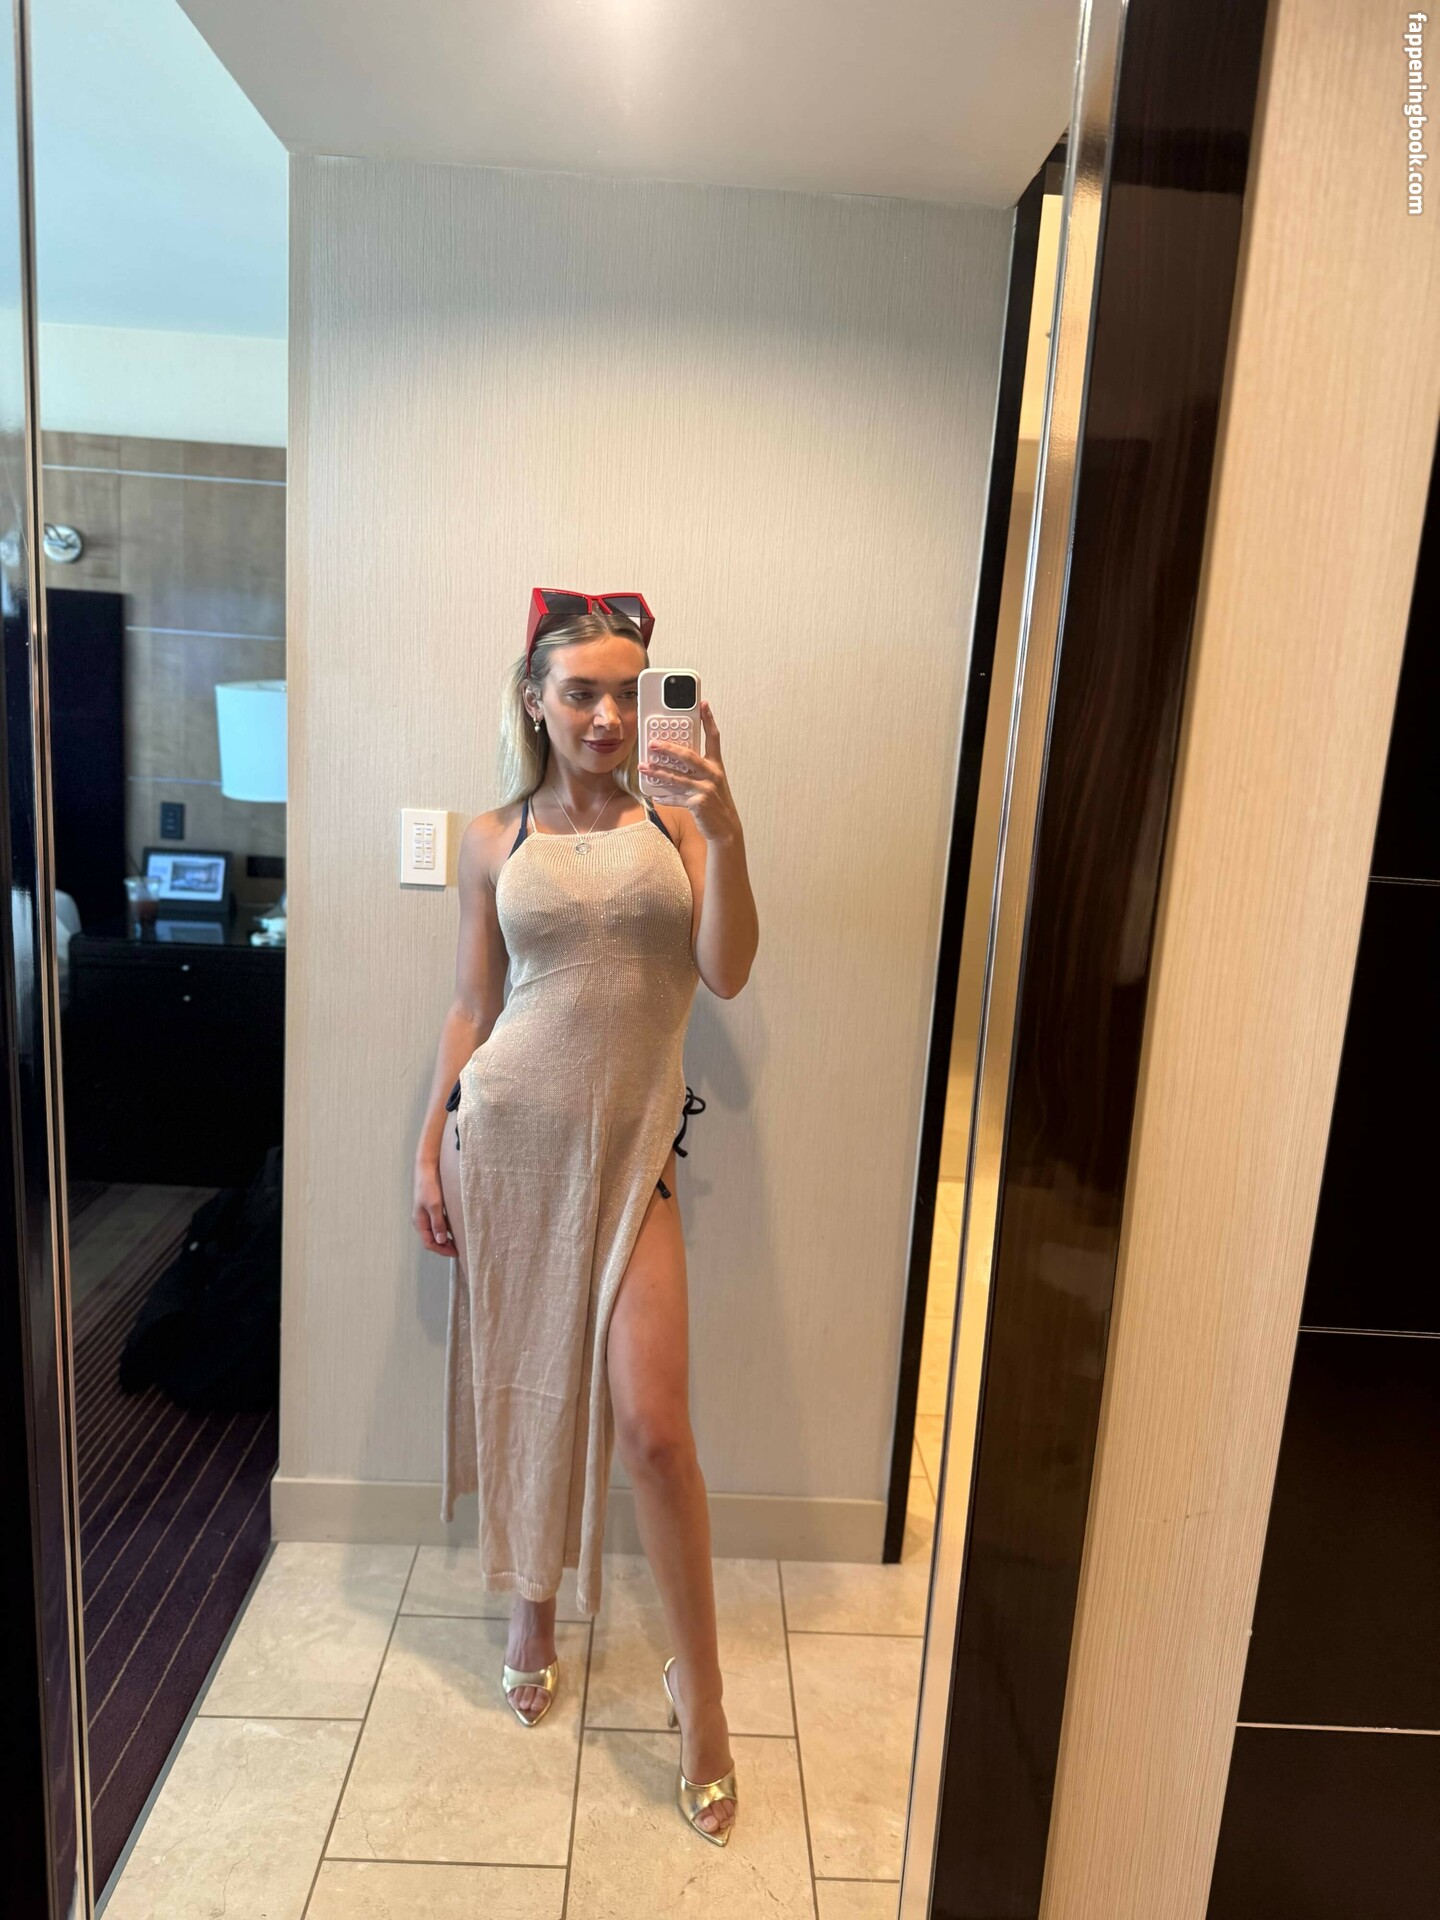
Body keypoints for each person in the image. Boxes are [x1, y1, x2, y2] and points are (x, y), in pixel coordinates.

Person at [412, 591, 759, 1845]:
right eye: (582, 691)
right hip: (504, 1140)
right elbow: (472, 1005)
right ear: (535, 700)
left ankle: (700, 1696)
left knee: (654, 1431)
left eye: (629, 690)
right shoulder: (492, 837)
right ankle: (532, 1608)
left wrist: (727, 825)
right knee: (526, 1386)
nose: (608, 715)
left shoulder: (682, 821)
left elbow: (726, 969)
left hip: (631, 1153)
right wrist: (429, 1146)